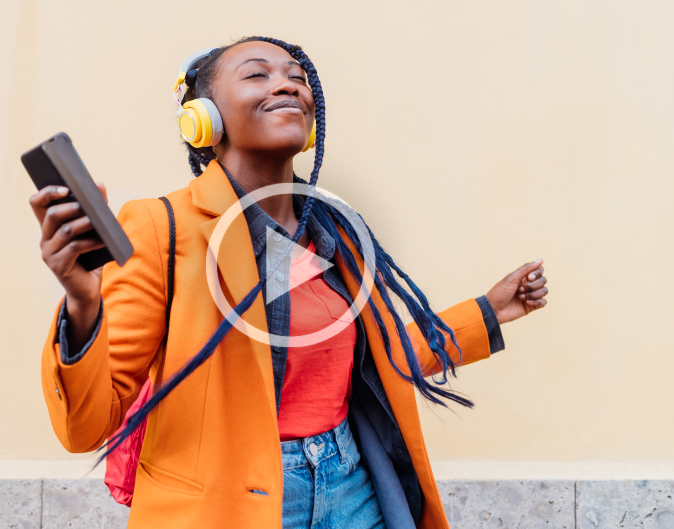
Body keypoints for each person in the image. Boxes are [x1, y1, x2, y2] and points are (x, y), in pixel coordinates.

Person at [28, 37, 549, 529]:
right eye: (257, 75)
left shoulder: (333, 231)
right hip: (230, 504)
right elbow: (89, 424)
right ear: (203, 120)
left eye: (297, 78)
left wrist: (488, 312)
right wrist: (82, 299)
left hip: (352, 487)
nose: (287, 85)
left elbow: (375, 360)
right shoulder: (163, 226)